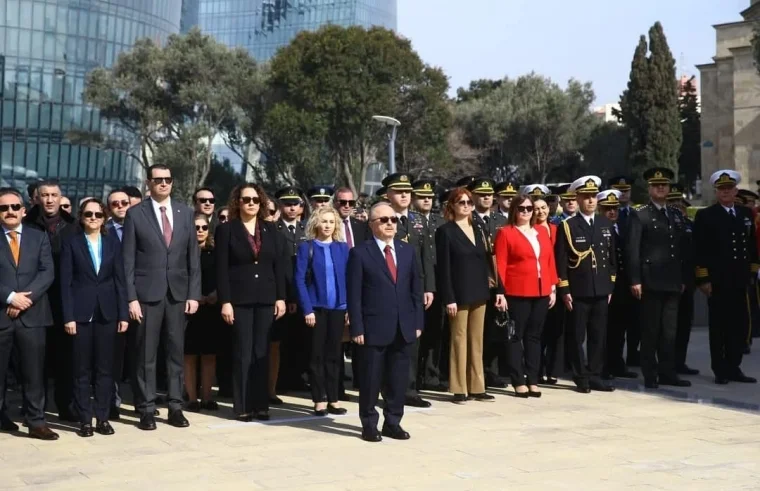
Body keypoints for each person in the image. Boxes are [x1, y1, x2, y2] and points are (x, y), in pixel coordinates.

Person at [122, 164, 201, 430]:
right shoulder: (135, 214)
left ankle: (176, 407)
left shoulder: (186, 213)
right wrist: (131, 298)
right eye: (158, 180)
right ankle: (146, 408)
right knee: (146, 353)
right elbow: (127, 261)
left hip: (178, 294)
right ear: (149, 183)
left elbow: (193, 259)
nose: (163, 184)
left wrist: (194, 294)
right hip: (146, 295)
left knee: (176, 352)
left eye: (168, 179)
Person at [347, 202, 423, 442]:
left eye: (393, 219)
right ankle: (369, 423)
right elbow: (354, 294)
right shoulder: (360, 253)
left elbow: (415, 291)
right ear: (372, 225)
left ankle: (393, 421)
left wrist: (417, 322)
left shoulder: (407, 250)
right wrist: (357, 327)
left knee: (398, 379)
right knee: (371, 379)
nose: (391, 223)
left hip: (403, 327)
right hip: (373, 327)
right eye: (384, 220)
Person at [216, 183, 289, 421]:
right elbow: (222, 270)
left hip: (267, 299)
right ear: (238, 202)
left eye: (255, 200)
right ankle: (243, 405)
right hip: (240, 300)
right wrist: (225, 301)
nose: (250, 203)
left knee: (262, 352)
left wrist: (281, 297)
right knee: (243, 352)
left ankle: (261, 404)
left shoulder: (271, 230)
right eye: (246, 199)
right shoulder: (226, 230)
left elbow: (278, 266)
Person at [60, 199, 128, 437]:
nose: (93, 218)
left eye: (98, 214)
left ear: (104, 217)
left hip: (108, 313)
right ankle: (85, 420)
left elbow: (120, 281)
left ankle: (102, 418)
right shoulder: (72, 243)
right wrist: (68, 316)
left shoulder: (112, 243)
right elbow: (66, 284)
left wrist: (123, 314)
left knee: (105, 369)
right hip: (80, 315)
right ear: (81, 217)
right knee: (81, 370)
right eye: (88, 214)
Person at [436, 187, 506, 403]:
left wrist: (499, 290)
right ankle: (459, 387)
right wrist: (449, 298)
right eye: (461, 202)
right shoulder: (445, 231)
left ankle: (477, 386)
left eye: (469, 202)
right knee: (459, 340)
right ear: (452, 206)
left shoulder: (479, 228)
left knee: (476, 340)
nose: (466, 206)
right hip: (458, 293)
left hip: (479, 291)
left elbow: (488, 261)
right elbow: (444, 268)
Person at [0, 188, 57, 440]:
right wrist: (10, 297)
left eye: (15, 207)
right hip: (2, 314)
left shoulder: (38, 236)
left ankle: (36, 422)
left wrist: (25, 299)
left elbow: (47, 272)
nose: (10, 212)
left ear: (24, 210)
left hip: (33, 316)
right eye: (4, 208)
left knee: (34, 373)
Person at [627, 168, 691, 389]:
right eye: (656, 185)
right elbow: (633, 249)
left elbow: (680, 249)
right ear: (649, 189)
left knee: (669, 332)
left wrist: (683, 278)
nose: (661, 188)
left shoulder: (674, 213)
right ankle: (650, 374)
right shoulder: (640, 213)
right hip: (650, 280)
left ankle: (668, 372)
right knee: (651, 331)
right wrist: (635, 280)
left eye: (664, 185)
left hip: (672, 280)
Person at [694, 170, 758, 385]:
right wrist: (703, 279)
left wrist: (752, 272)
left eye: (729, 189)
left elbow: (751, 247)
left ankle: (734, 366)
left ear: (735, 191)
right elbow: (699, 250)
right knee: (719, 328)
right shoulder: (706, 215)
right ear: (716, 192)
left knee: (738, 326)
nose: (725, 193)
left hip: (740, 279)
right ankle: (720, 369)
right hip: (718, 281)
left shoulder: (745, 214)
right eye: (721, 189)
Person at [23, 179, 79, 422]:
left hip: (64, 303)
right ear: (36, 198)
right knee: (34, 361)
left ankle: (65, 406)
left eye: (53, 195)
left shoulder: (73, 226)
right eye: (44, 195)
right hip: (33, 301)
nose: (49, 200)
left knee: (66, 358)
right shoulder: (26, 225)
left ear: (60, 197)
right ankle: (34, 409)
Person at [555, 176, 616, 393]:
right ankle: (580, 375)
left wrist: (610, 285)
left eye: (593, 197)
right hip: (578, 290)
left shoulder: (604, 223)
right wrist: (564, 289)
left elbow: (611, 259)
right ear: (578, 198)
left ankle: (595, 374)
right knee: (576, 335)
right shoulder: (568, 226)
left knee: (598, 335)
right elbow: (561, 261)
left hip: (601, 289)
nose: (591, 201)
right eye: (586, 197)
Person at [494, 194, 556, 398]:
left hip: (541, 291)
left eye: (529, 209)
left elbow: (548, 261)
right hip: (517, 291)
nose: (527, 212)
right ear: (514, 210)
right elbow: (500, 264)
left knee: (534, 337)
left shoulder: (540, 231)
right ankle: (518, 380)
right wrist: (500, 292)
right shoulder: (506, 233)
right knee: (515, 336)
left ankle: (533, 379)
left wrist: (553, 287)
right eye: (522, 209)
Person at [383, 172, 434, 408]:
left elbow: (426, 258)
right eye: (398, 191)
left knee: (412, 340)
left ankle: (409, 389)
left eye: (407, 192)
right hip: (386, 287)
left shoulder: (418, 220)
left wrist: (428, 288)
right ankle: (387, 388)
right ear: (388, 194)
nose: (404, 195)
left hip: (413, 289)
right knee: (386, 340)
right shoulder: (381, 219)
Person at [295, 207, 350, 416]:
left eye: (331, 222)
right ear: (316, 223)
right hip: (316, 309)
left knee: (334, 356)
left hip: (339, 308)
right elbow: (299, 280)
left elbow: (349, 278)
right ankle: (318, 400)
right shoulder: (306, 247)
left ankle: (333, 399)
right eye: (324, 221)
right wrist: (307, 309)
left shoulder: (342, 248)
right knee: (316, 355)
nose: (328, 225)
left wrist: (349, 308)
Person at [596, 190, 638, 380]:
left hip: (621, 285)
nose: (612, 212)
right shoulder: (597, 228)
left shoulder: (623, 227)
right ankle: (603, 365)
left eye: (615, 208)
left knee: (620, 327)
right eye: (607, 209)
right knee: (604, 328)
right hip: (603, 285)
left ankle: (617, 363)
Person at [274, 187, 309, 398]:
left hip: (305, 292)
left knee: (302, 339)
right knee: (283, 340)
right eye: (287, 204)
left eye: (295, 203)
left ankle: (298, 377)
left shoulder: (306, 228)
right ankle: (281, 379)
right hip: (284, 292)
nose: (292, 207)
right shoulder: (275, 229)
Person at [413, 179, 448, 391]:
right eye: (422, 196)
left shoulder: (440, 222)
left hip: (438, 283)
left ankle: (431, 374)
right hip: (418, 282)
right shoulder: (410, 221)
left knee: (436, 330)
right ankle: (415, 374)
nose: (427, 200)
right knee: (418, 331)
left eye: (429, 197)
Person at [183, 214, 219, 412]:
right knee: (189, 356)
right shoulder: (182, 252)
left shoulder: (215, 252)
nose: (200, 231)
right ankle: (191, 398)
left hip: (210, 309)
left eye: (204, 227)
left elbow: (222, 275)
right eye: (196, 227)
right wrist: (194, 296)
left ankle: (207, 397)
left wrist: (215, 294)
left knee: (208, 356)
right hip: (188, 309)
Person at [666, 184, 699, 375]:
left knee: (685, 324)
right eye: (673, 204)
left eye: (680, 204)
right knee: (667, 327)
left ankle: (680, 361)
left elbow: (695, 254)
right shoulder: (663, 225)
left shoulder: (690, 226)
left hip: (688, 281)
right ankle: (666, 363)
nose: (678, 207)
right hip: (668, 282)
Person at [608, 176, 639, 366]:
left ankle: (633, 356)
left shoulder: (636, 215)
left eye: (625, 190)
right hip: (614, 279)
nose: (622, 195)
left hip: (633, 277)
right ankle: (615, 360)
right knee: (615, 325)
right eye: (618, 191)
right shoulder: (606, 215)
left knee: (635, 322)